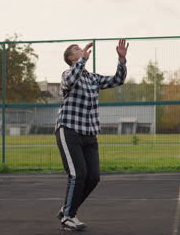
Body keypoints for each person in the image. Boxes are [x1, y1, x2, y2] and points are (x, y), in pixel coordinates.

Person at [55, 39, 129, 231]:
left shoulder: (93, 78)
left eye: (80, 48)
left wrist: (121, 60)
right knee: (77, 174)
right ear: (71, 58)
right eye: (76, 49)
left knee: (93, 177)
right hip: (69, 129)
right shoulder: (67, 74)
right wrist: (83, 61)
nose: (81, 50)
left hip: (89, 133)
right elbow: (71, 79)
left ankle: (67, 209)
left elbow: (117, 80)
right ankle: (68, 217)